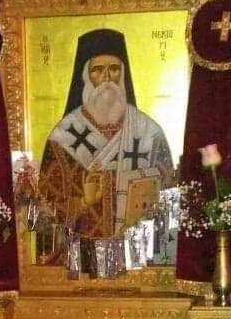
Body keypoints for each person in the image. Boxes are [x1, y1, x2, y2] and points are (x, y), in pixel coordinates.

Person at [38, 28, 174, 237]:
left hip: (137, 248)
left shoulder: (149, 132)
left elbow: (168, 196)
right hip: (82, 250)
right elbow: (45, 208)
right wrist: (84, 202)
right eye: (97, 70)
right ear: (86, 76)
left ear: (123, 74)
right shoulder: (62, 137)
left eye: (114, 69)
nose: (107, 78)